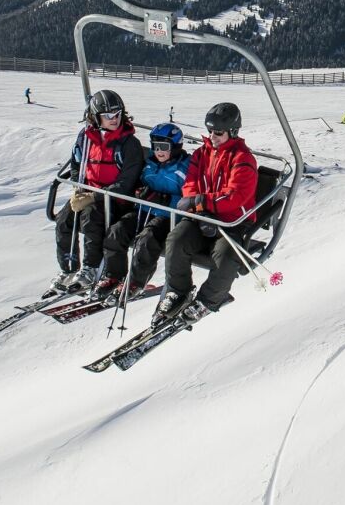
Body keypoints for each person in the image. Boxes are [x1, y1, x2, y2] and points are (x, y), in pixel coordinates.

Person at [154, 102, 259, 327]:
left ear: (232, 131)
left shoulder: (243, 159)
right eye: (210, 131)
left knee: (226, 257)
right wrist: (199, 208)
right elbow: (190, 185)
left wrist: (200, 202)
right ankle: (177, 291)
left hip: (231, 222)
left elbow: (235, 197)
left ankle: (208, 300)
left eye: (218, 132)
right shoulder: (202, 154)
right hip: (202, 218)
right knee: (176, 239)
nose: (213, 136)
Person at [50, 90, 145, 294]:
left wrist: (95, 195)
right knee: (64, 219)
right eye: (108, 115)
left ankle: (91, 268)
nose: (114, 119)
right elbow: (77, 164)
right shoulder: (86, 138)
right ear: (95, 117)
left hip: (116, 200)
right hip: (89, 192)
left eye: (118, 114)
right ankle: (68, 268)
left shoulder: (129, 145)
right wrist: (79, 187)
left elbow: (126, 182)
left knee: (91, 217)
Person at [94, 122, 190, 302]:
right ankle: (114, 275)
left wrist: (167, 200)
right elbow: (138, 182)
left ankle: (136, 282)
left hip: (167, 217)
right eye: (155, 146)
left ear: (176, 146)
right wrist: (140, 190)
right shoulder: (149, 164)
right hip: (142, 210)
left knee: (146, 240)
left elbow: (190, 195)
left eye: (164, 147)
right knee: (116, 231)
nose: (158, 151)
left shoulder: (184, 168)